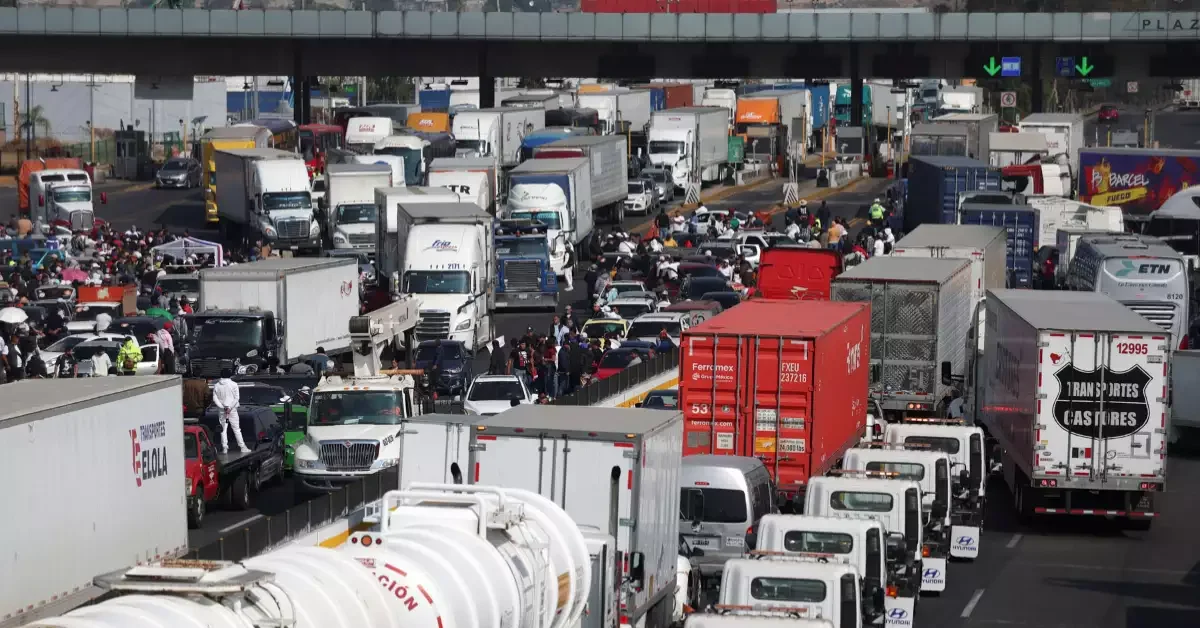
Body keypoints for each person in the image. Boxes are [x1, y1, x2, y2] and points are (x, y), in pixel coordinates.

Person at [212, 368, 250, 454]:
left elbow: (215, 398)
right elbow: (237, 398)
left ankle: (224, 447)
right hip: (232, 410)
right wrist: (229, 407)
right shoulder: (234, 384)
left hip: (222, 411)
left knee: (223, 429)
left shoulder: (216, 385)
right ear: (230, 375)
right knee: (236, 429)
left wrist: (222, 407)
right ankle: (242, 447)